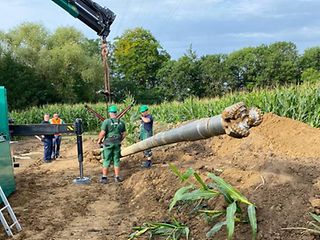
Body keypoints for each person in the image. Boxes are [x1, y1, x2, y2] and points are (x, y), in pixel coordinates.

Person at [97, 105, 126, 184]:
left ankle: (104, 177)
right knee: (116, 160)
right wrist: (120, 140)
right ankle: (117, 177)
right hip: (117, 143)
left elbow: (103, 132)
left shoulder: (106, 121)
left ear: (110, 113)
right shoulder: (121, 122)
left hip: (108, 143)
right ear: (116, 113)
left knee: (106, 160)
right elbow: (124, 134)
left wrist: (99, 141)